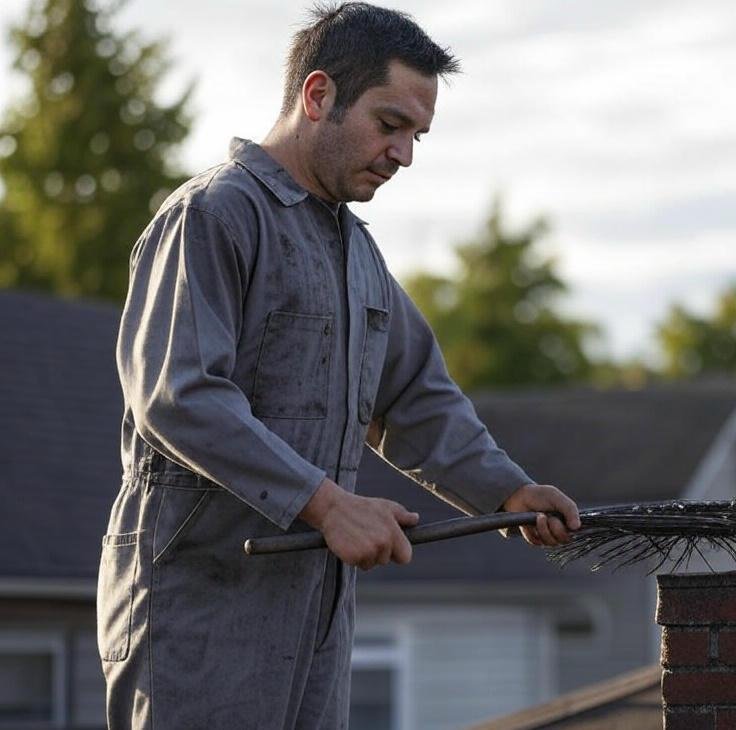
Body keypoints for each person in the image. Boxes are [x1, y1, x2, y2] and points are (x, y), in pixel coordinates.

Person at [96, 3, 581, 728]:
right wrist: (329, 505)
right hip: (196, 611)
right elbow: (178, 394)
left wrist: (506, 493)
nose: (405, 155)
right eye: (390, 125)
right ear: (317, 95)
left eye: (417, 136)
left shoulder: (358, 255)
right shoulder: (213, 215)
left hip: (315, 617)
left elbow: (419, 399)